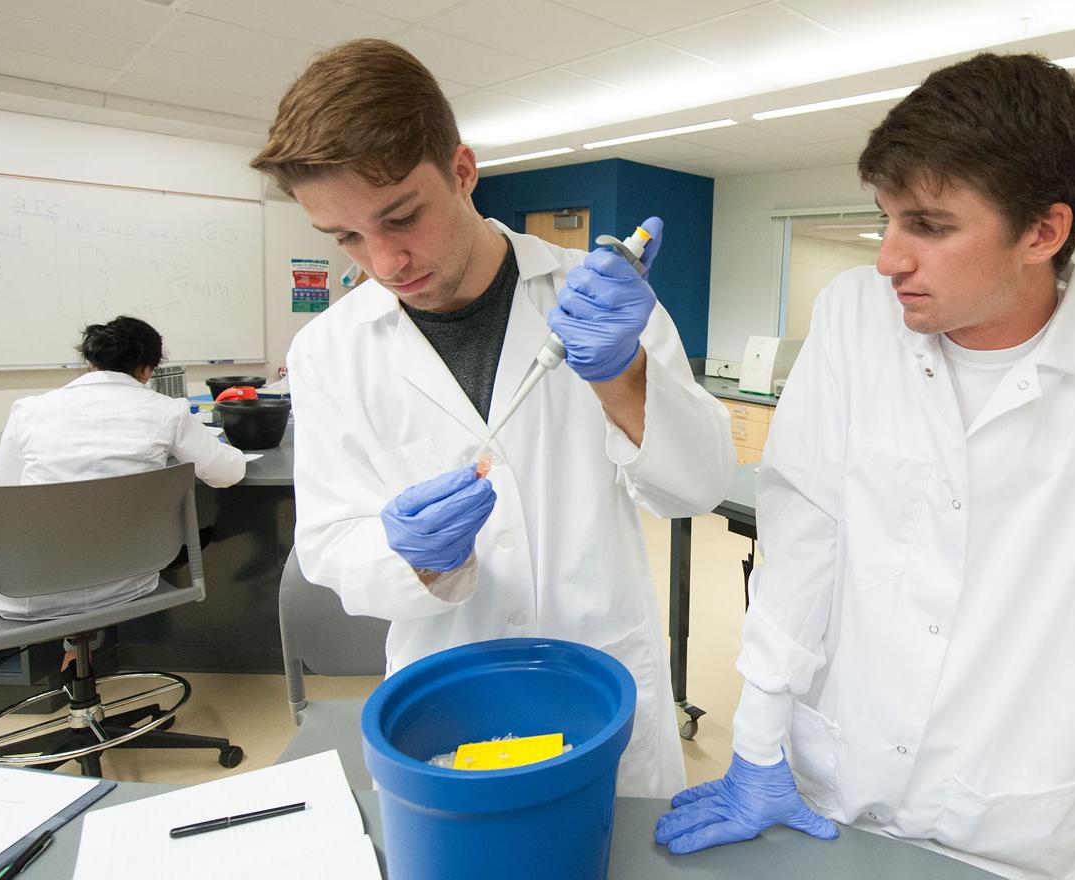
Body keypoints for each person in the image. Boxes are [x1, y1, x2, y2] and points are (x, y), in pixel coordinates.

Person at [655, 54, 1075, 879]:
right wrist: (756, 748)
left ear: (1044, 232)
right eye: (885, 220)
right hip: (831, 787)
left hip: (1006, 828)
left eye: (929, 226)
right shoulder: (854, 320)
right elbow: (805, 541)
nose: (887, 260)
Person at [250, 39, 733, 799]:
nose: (383, 262)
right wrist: (411, 556)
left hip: (601, 681)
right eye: (345, 237)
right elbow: (330, 545)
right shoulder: (329, 352)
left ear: (463, 171)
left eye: (400, 217)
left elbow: (698, 487)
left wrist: (622, 374)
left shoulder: (596, 296)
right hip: (446, 701)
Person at [0, 316, 246, 619]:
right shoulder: (167, 412)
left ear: (91, 362)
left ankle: (71, 652)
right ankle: (81, 648)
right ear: (146, 370)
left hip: (23, 592)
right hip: (126, 585)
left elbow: (2, 498)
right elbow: (227, 473)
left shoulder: (29, 410)